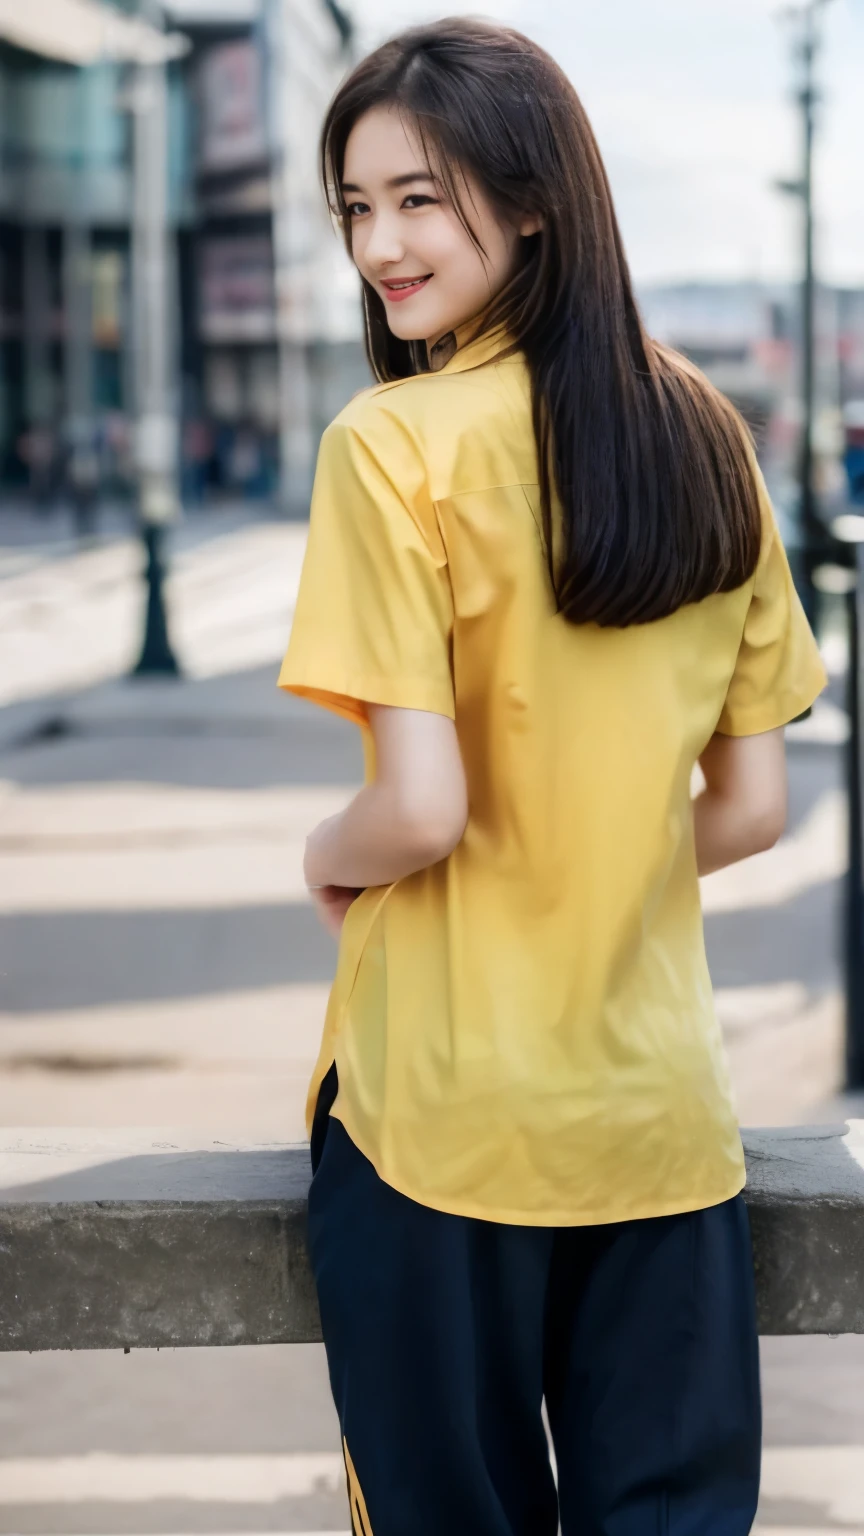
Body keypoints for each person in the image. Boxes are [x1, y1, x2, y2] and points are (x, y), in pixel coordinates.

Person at [278, 19, 827, 1536]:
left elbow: (419, 813)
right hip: (658, 1123)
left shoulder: (390, 448)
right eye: (356, 208)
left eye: (418, 198)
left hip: (439, 1128)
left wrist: (330, 856)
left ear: (530, 200)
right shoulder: (709, 435)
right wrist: (597, 855)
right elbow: (758, 807)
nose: (381, 244)